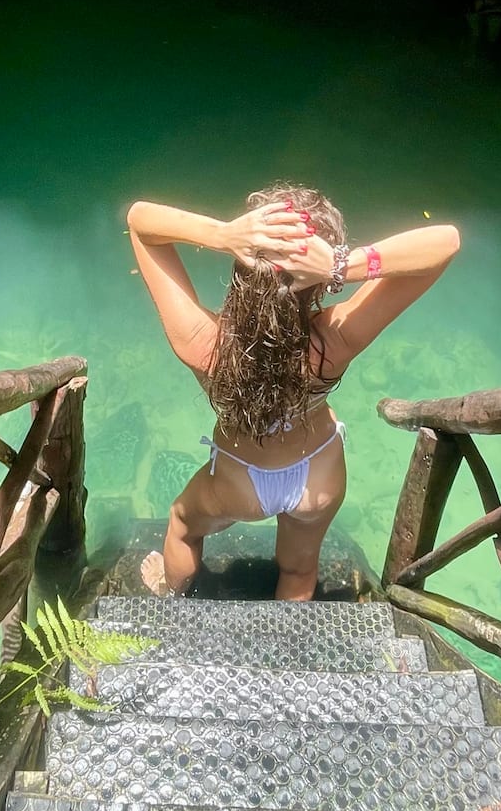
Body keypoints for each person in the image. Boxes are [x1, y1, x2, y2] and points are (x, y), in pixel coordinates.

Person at [127, 187, 460, 600]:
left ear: (242, 266)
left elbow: (140, 221)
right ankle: (287, 640)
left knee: (181, 524)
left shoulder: (202, 345)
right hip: (315, 478)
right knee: (300, 568)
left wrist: (224, 234)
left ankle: (170, 597)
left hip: (238, 483)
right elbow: (446, 242)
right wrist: (342, 264)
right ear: (320, 284)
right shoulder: (333, 341)